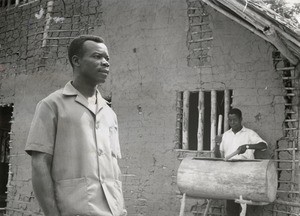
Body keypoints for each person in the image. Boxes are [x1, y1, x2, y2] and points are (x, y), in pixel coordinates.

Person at [25, 35, 127, 216]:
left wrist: (121, 209)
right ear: (76, 61)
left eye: (107, 59)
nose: (105, 63)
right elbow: (40, 165)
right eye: (97, 56)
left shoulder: (109, 113)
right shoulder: (52, 105)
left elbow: (114, 168)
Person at [214, 108, 267, 216]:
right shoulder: (226, 135)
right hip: (230, 174)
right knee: (231, 207)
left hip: (246, 173)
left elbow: (263, 146)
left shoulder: (249, 133)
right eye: (230, 120)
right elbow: (218, 156)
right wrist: (217, 144)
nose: (232, 123)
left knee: (246, 206)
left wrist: (247, 146)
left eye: (235, 120)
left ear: (241, 119)